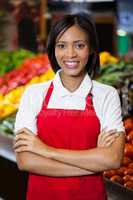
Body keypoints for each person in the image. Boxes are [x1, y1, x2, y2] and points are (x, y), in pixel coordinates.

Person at [14, 13, 125, 200]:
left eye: (79, 45)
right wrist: (93, 162)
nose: (70, 54)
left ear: (90, 49)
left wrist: (45, 150)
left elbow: (112, 159)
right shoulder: (33, 94)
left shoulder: (107, 94)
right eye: (62, 46)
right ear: (53, 49)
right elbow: (26, 161)